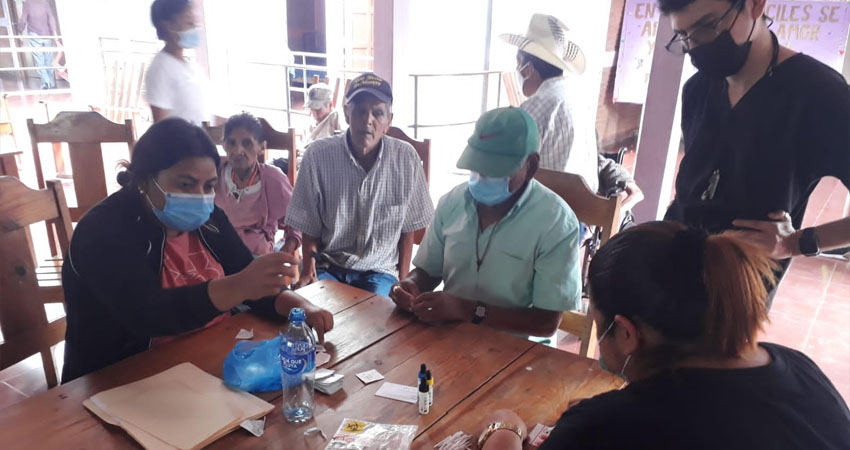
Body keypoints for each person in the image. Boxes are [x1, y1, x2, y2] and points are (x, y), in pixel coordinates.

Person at [475, 221, 850, 450]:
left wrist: (503, 430)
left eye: (597, 321)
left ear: (625, 333)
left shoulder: (609, 428)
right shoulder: (797, 366)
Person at [61, 118, 333, 383]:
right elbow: (145, 315)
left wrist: (301, 308)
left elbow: (250, 281)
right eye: (185, 184)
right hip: (124, 380)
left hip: (207, 360)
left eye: (209, 186)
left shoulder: (209, 219)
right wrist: (238, 286)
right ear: (145, 180)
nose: (200, 197)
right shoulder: (103, 231)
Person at [660, 0, 850, 272]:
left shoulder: (818, 94)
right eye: (684, 36)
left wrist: (799, 242)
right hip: (674, 263)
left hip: (738, 286)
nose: (697, 45)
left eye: (708, 26)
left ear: (755, 5)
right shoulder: (697, 89)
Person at [389, 107, 581, 337]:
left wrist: (468, 310)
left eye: (495, 171)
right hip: (449, 335)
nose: (481, 178)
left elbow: (547, 323)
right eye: (476, 167)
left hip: (517, 349)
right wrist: (411, 284)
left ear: (530, 166)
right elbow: (428, 271)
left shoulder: (556, 223)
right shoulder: (452, 203)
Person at [285, 73, 434, 296]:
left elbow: (408, 231)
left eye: (378, 113)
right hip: (329, 267)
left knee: (377, 325)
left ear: (388, 121)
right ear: (346, 113)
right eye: (360, 111)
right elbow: (309, 225)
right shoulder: (317, 156)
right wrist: (307, 269)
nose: (368, 120)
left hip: (379, 272)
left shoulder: (406, 159)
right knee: (310, 318)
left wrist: (403, 282)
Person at [501, 14, 643, 209]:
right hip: (582, 219)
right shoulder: (580, 100)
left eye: (519, 64)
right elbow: (593, 157)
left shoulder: (530, 111)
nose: (518, 71)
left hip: (542, 220)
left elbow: (509, 179)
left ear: (529, 68)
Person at [214, 113, 301, 256]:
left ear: (261, 147)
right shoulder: (215, 171)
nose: (238, 151)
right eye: (231, 143)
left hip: (255, 254)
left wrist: (287, 248)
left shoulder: (273, 179)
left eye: (247, 143)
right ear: (224, 145)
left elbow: (297, 218)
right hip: (217, 250)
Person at [145, 0, 209, 124]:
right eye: (188, 22)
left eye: (194, 22)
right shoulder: (161, 69)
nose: (194, 28)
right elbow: (161, 127)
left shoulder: (191, 66)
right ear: (168, 25)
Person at [17, 0, 58, 89]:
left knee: (39, 60)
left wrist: (20, 32)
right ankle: (51, 82)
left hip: (35, 35)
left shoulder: (27, 4)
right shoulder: (45, 3)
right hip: (47, 35)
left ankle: (46, 83)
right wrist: (54, 33)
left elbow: (23, 19)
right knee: (48, 60)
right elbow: (51, 18)